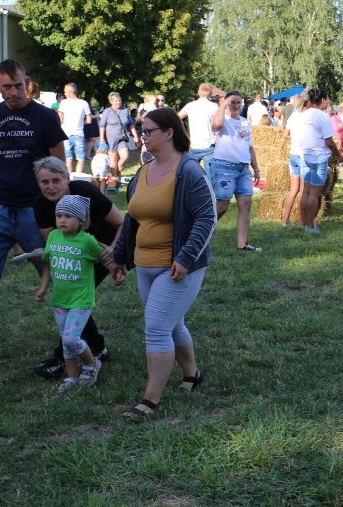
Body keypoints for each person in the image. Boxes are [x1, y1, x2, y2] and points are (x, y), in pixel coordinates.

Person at [0, 58, 67, 368]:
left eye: (19, 85)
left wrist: (62, 211)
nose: (14, 92)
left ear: (26, 82)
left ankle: (78, 340)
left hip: (35, 209)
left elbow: (60, 168)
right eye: (7, 87)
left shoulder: (44, 117)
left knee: (58, 273)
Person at [110, 107, 217, 417]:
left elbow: (207, 217)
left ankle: (150, 399)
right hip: (144, 263)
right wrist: (118, 257)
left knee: (156, 326)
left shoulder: (188, 170)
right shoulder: (143, 171)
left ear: (169, 133)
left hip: (177, 266)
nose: (143, 136)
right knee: (171, 324)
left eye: (149, 131)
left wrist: (186, 257)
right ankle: (192, 374)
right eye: (141, 131)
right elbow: (132, 218)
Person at [32, 156, 121, 378]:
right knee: (74, 298)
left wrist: (113, 252)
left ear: (66, 178)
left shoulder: (85, 191)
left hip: (103, 249)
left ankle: (61, 358)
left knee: (76, 299)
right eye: (44, 182)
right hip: (75, 255)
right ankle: (98, 349)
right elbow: (54, 247)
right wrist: (41, 256)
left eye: (56, 180)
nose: (50, 187)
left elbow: (122, 222)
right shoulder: (41, 205)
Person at [35, 195, 106, 392]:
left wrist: (117, 271)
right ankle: (72, 378)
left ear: (81, 220)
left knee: (71, 339)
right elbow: (48, 263)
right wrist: (43, 287)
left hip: (81, 300)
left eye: (68, 216)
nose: (62, 220)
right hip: (60, 300)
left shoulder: (87, 241)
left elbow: (104, 257)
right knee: (66, 341)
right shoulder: (53, 237)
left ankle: (92, 364)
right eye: (59, 215)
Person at [211, 91, 262, 252]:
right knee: (222, 207)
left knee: (245, 205)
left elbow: (249, 146)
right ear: (226, 103)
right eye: (233, 102)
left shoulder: (245, 122)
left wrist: (256, 167)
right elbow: (216, 126)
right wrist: (223, 106)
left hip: (243, 168)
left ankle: (242, 244)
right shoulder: (222, 119)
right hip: (224, 167)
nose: (236, 106)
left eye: (239, 102)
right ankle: (199, 235)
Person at [285, 87, 341, 233]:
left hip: (303, 156)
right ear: (322, 100)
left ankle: (302, 223)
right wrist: (338, 155)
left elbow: (289, 134)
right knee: (313, 193)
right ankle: (310, 226)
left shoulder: (300, 114)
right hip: (318, 158)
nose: (328, 101)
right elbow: (329, 141)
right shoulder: (322, 116)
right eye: (327, 99)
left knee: (305, 192)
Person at [178, 83, 219, 182]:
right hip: (209, 144)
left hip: (193, 144)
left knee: (189, 176)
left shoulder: (190, 106)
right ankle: (211, 196)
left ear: (198, 92)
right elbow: (219, 124)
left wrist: (183, 133)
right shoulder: (214, 106)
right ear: (210, 93)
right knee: (211, 178)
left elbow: (176, 118)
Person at [99, 91, 137, 187]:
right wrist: (101, 139)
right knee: (114, 160)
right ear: (111, 102)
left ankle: (117, 172)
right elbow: (102, 126)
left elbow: (131, 124)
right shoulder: (107, 112)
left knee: (125, 156)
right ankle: (114, 181)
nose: (118, 103)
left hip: (122, 137)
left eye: (119, 101)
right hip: (110, 138)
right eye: (116, 101)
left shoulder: (125, 111)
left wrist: (135, 136)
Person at [58, 83, 92, 174]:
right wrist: (80, 122)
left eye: (65, 91)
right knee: (80, 158)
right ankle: (78, 177)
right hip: (78, 133)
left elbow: (60, 119)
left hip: (65, 133)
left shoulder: (63, 103)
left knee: (68, 158)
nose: (64, 93)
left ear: (70, 92)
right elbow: (89, 120)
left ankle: (69, 177)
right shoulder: (84, 103)